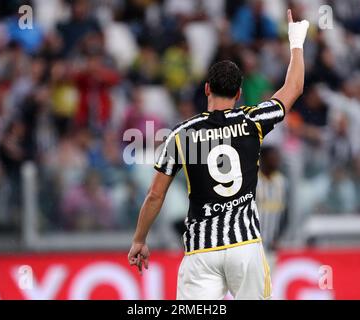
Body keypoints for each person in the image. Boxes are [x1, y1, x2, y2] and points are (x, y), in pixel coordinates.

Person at [128, 10, 308, 300]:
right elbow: (294, 88)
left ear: (207, 88)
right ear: (239, 94)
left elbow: (155, 195)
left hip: (201, 251)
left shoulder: (181, 134)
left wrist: (139, 239)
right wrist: (296, 41)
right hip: (245, 246)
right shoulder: (252, 122)